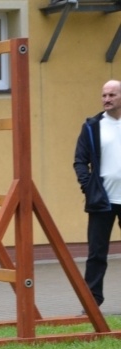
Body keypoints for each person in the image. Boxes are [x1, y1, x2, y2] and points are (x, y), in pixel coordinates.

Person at [74, 79, 121, 308]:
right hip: (102, 200)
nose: (107, 99)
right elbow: (80, 161)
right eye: (104, 95)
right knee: (96, 253)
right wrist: (88, 185)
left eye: (112, 95)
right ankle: (92, 303)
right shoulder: (92, 126)